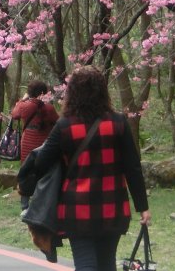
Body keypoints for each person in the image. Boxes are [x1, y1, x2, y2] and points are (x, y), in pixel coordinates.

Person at [21, 66, 150, 271]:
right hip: (113, 206)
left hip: (77, 207)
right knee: (107, 262)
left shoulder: (64, 126)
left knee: (85, 263)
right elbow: (132, 167)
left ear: (72, 92)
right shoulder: (118, 123)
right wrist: (142, 206)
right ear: (103, 91)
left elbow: (41, 162)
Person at [10, 80, 59, 167]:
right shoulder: (50, 108)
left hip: (27, 143)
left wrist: (22, 100)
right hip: (43, 144)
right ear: (43, 93)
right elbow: (57, 123)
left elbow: (14, 115)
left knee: (27, 168)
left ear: (29, 93)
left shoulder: (24, 106)